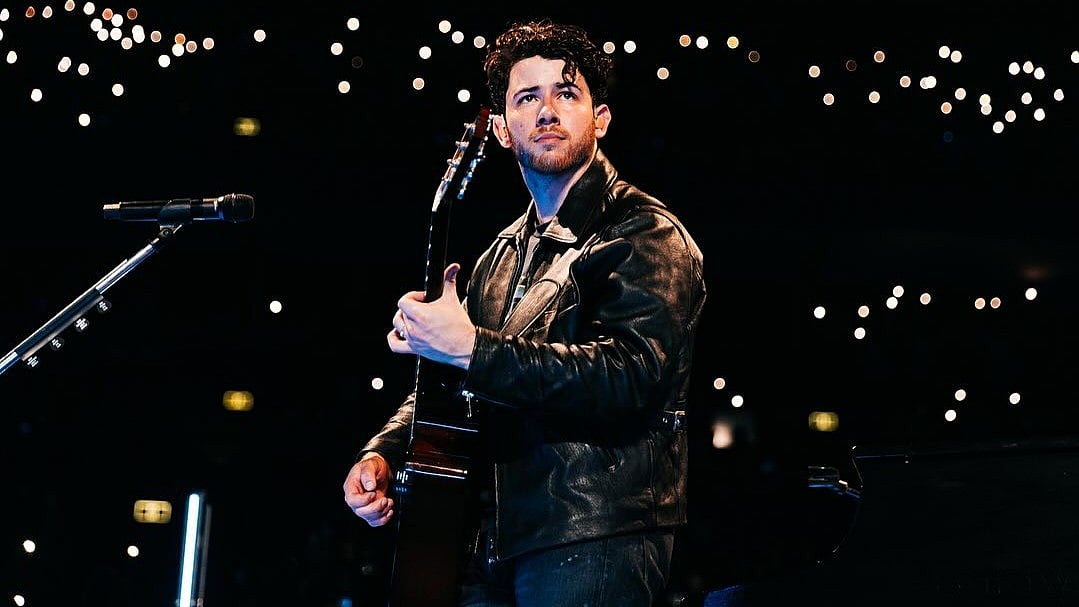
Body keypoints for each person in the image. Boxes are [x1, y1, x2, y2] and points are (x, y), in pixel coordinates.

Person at [343, 17, 707, 606]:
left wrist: (469, 347)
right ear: (502, 130)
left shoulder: (645, 233)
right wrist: (382, 452)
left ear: (600, 118)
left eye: (567, 93)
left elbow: (629, 378)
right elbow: (457, 382)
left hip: (594, 533)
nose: (547, 111)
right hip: (490, 542)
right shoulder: (500, 255)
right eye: (527, 98)